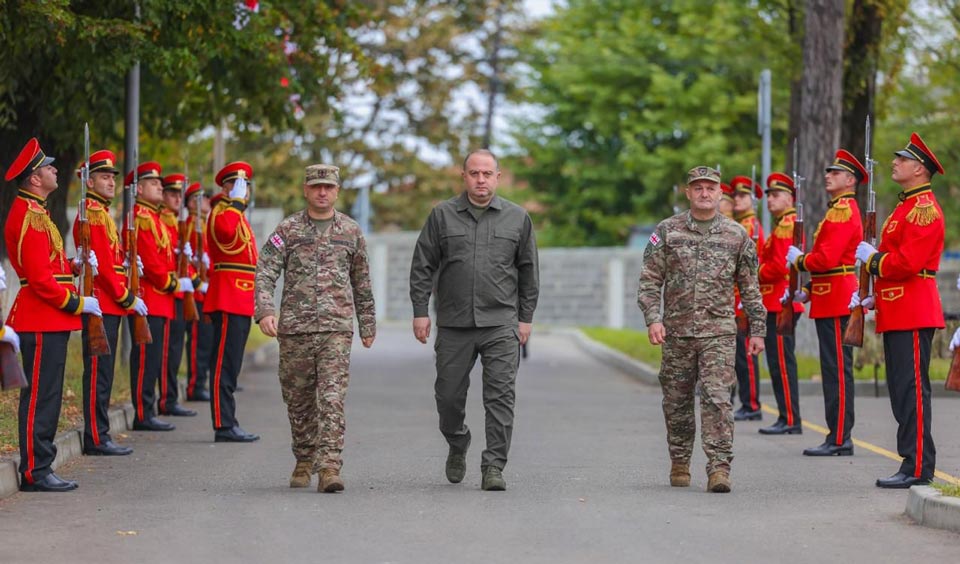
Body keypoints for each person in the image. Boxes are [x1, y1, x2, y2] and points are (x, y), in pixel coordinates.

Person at [409, 149, 539, 492]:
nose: (481, 180)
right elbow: (422, 265)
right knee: (448, 396)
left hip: (500, 322)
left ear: (498, 177)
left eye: (487, 174)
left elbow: (528, 272)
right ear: (464, 177)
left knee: (500, 397)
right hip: (454, 323)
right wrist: (420, 311)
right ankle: (457, 441)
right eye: (474, 173)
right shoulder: (442, 216)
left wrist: (525, 319)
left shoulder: (517, 218)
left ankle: (494, 466)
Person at [638, 165, 765, 494]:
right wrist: (653, 318)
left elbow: (750, 287)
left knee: (718, 399)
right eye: (698, 188)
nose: (704, 193)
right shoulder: (668, 231)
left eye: (710, 187)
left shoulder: (737, 235)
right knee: (676, 402)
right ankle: (679, 460)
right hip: (677, 333)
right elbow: (650, 280)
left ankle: (719, 467)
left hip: (719, 333)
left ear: (720, 193)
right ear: (688, 192)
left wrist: (757, 329)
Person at [255, 164, 376, 493]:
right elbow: (265, 271)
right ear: (306, 190)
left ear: (337, 191)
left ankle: (329, 467)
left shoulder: (350, 231)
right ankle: (304, 459)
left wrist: (367, 322)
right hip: (295, 329)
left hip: (336, 329)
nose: (322, 192)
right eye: (316, 187)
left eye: (328, 187)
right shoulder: (288, 230)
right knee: (299, 399)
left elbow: (362, 282)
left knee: (332, 397)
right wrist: (265, 310)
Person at [4, 138, 102, 491]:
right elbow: (41, 281)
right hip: (40, 316)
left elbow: (52, 268)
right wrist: (78, 303)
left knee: (50, 394)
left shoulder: (39, 212)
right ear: (33, 178)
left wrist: (76, 267)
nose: (55, 170)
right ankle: (34, 470)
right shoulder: (28, 215)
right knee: (41, 397)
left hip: (50, 316)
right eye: (48, 167)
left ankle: (41, 464)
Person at [851, 133, 945, 488]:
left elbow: (909, 262)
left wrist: (873, 261)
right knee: (901, 390)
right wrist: (876, 296)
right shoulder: (905, 206)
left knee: (912, 391)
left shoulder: (923, 209)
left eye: (902, 159)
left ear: (919, 168)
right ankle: (911, 460)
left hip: (914, 311)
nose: (894, 163)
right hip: (899, 307)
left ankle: (919, 465)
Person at [787, 150, 865, 456]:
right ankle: (836, 434)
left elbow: (828, 258)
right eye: (828, 172)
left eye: (836, 173)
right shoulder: (836, 210)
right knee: (832, 368)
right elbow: (832, 262)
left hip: (837, 298)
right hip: (828, 293)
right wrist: (810, 288)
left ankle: (841, 437)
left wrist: (802, 260)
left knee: (837, 370)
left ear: (849, 180)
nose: (828, 175)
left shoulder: (844, 210)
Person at [73, 149, 146, 456]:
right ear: (89, 181)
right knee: (99, 373)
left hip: (110, 303)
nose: (111, 182)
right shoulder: (91, 213)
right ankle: (96, 436)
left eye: (112, 177)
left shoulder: (102, 213)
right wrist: (127, 297)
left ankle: (100, 433)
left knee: (105, 372)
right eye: (104, 177)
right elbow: (99, 266)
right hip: (102, 302)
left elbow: (111, 259)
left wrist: (129, 262)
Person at [128, 161, 194, 432]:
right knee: (146, 358)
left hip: (161, 298)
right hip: (151, 297)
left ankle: (149, 408)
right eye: (154, 183)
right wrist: (172, 282)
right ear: (140, 188)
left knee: (154, 358)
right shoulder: (141, 217)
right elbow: (152, 262)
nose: (159, 186)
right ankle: (143, 413)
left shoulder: (153, 217)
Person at [206, 161, 259, 442]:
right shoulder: (222, 212)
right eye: (238, 185)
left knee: (232, 364)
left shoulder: (237, 215)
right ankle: (223, 424)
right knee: (223, 365)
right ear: (226, 188)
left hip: (241, 297)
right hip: (227, 296)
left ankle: (229, 420)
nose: (243, 190)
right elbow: (226, 233)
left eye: (246, 186)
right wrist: (236, 203)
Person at [757, 172, 805, 435]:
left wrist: (756, 271)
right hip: (775, 301)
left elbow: (778, 266)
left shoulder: (787, 225)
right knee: (776, 362)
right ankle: (786, 416)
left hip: (781, 302)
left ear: (789, 198)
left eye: (776, 195)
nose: (770, 200)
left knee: (782, 363)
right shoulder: (780, 224)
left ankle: (790, 418)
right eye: (769, 196)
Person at [157, 173, 198, 417]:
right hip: (168, 293)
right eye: (172, 194)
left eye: (179, 195)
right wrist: (178, 282)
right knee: (167, 352)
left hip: (177, 294)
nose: (177, 199)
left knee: (174, 351)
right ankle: (166, 399)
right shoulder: (160, 220)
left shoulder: (174, 221)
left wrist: (192, 277)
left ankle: (170, 397)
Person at [730, 175, 765, 422]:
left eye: (742, 196)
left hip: (745, 296)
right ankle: (746, 402)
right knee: (738, 355)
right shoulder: (739, 225)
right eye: (735, 196)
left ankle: (752, 404)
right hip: (735, 296)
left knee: (747, 354)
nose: (736, 200)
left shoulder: (750, 226)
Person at [184, 183, 213, 401]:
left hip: (207, 290)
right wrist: (197, 281)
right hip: (196, 292)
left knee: (206, 340)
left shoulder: (203, 224)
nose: (207, 202)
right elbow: (186, 258)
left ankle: (202, 382)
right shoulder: (191, 225)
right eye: (202, 198)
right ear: (192, 202)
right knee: (197, 341)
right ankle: (195, 385)